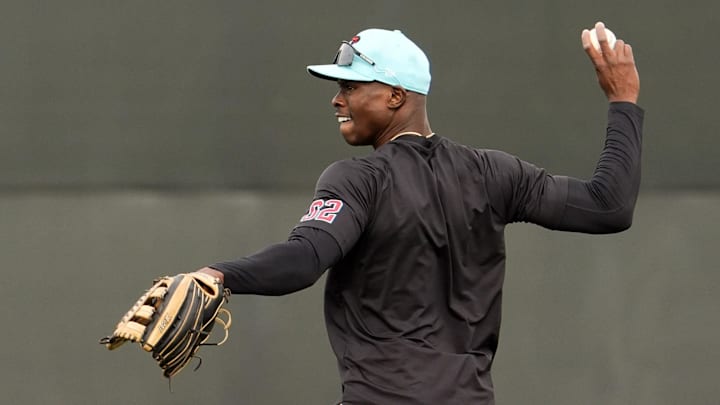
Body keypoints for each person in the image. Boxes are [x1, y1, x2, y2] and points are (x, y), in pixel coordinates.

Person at [198, 22, 643, 404]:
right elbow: (609, 206)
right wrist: (623, 101)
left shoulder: (359, 179)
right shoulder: (494, 173)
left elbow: (304, 259)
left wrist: (219, 275)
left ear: (395, 96)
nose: (337, 99)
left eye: (350, 86)